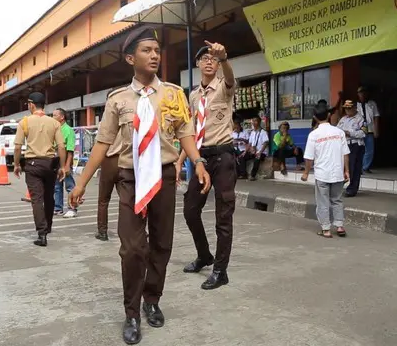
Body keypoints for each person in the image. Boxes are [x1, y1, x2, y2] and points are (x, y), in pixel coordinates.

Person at [68, 26, 210, 345]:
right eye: (147, 51)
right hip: (129, 179)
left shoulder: (174, 94)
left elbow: (186, 132)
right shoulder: (118, 100)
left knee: (161, 243)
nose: (155, 55)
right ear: (131, 58)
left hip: (163, 176)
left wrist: (198, 162)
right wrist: (80, 184)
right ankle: (131, 313)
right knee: (132, 248)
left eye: (157, 51)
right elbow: (103, 144)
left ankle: (152, 299)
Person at [175, 40, 237, 290]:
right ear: (198, 64)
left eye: (213, 58)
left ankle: (220, 270)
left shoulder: (224, 86)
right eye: (205, 58)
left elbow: (230, 76)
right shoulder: (193, 95)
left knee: (223, 215)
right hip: (200, 159)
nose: (209, 61)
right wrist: (180, 160)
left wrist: (224, 58)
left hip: (223, 158)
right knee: (190, 209)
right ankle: (204, 255)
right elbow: (189, 131)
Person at [14, 92, 67, 247]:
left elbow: (17, 147)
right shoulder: (54, 123)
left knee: (36, 199)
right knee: (49, 197)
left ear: (31, 104)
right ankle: (48, 226)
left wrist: (17, 165)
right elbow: (61, 146)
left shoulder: (24, 122)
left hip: (32, 165)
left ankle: (42, 233)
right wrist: (62, 167)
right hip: (50, 164)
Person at [301, 102, 350, 238]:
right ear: (329, 115)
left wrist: (306, 173)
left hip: (322, 174)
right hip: (337, 173)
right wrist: (347, 171)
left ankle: (326, 229)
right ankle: (339, 226)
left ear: (315, 118)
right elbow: (345, 153)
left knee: (322, 202)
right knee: (337, 200)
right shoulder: (339, 132)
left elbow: (309, 158)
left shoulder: (314, 135)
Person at [52, 108, 78, 218]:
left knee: (69, 186)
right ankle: (58, 208)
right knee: (57, 186)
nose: (52, 118)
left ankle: (73, 208)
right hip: (56, 161)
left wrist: (67, 165)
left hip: (65, 161)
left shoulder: (68, 130)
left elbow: (70, 150)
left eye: (54, 115)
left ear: (62, 117)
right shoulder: (55, 129)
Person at [337, 100, 366, 197]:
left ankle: (352, 189)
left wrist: (349, 133)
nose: (347, 111)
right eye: (346, 109)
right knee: (342, 166)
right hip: (344, 145)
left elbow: (363, 133)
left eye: (349, 108)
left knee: (354, 168)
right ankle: (338, 187)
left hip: (355, 145)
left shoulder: (360, 119)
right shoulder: (343, 119)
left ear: (354, 108)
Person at [96, 134, 122, 241]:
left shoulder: (106, 124)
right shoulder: (129, 120)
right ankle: (135, 229)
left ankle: (102, 232)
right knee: (128, 199)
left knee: (103, 200)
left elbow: (99, 146)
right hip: (124, 160)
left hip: (108, 160)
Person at [356, 86, 380, 173]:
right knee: (359, 149)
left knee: (370, 150)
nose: (362, 94)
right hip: (359, 130)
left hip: (369, 129)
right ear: (358, 94)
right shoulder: (355, 105)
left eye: (364, 92)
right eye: (360, 92)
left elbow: (376, 116)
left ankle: (365, 167)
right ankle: (359, 167)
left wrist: (376, 130)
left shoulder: (372, 104)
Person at [238, 116, 269, 180]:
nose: (254, 123)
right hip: (253, 152)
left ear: (259, 122)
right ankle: (243, 174)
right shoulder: (252, 132)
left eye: (255, 121)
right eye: (253, 121)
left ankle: (252, 175)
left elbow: (266, 143)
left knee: (257, 159)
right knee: (241, 157)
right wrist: (245, 151)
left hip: (261, 152)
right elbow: (250, 143)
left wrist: (260, 152)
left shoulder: (263, 132)